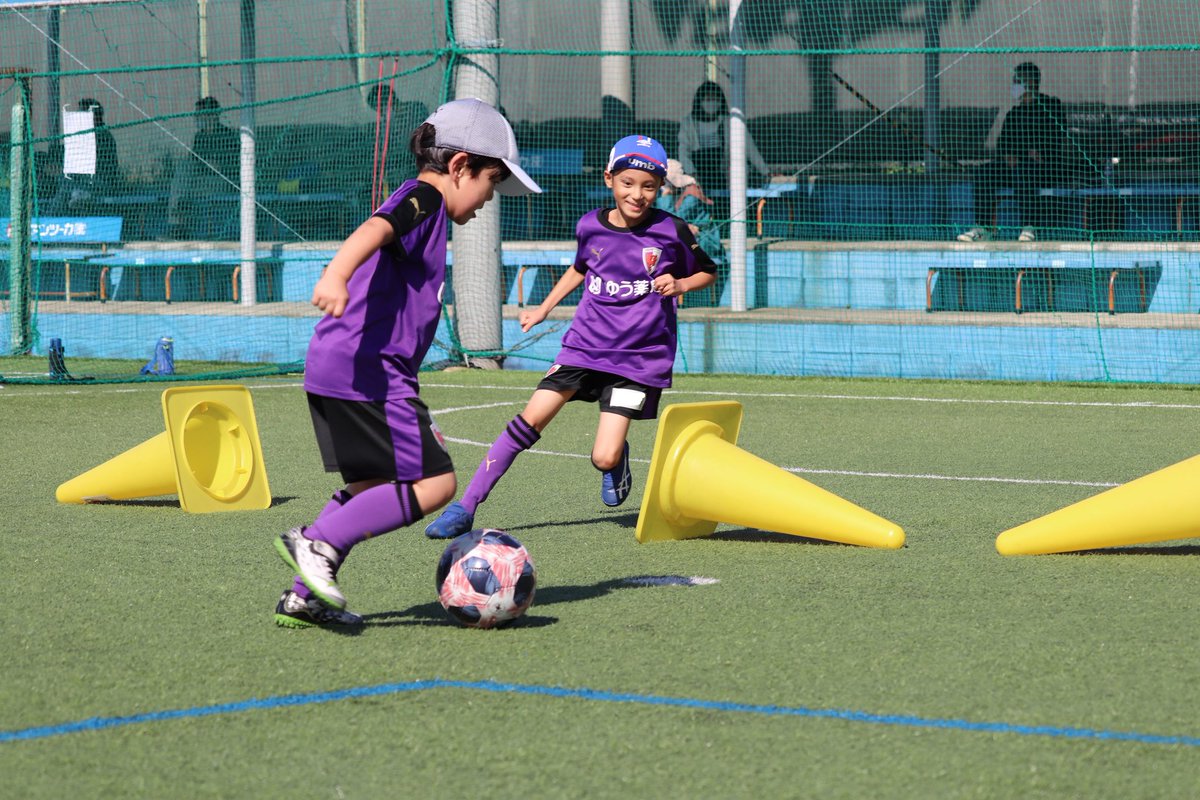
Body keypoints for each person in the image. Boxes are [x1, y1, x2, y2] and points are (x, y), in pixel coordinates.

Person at [271, 98, 541, 628]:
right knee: (436, 484)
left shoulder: (429, 210)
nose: (490, 197)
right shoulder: (426, 197)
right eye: (491, 181)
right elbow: (375, 228)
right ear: (459, 166)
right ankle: (317, 544)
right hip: (371, 369)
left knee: (371, 486)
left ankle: (303, 597)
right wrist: (335, 274)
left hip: (340, 365)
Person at [423, 135, 717, 540]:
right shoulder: (590, 225)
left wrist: (681, 284)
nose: (637, 194)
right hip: (584, 346)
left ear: (660, 188)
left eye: (649, 186)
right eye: (627, 183)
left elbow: (707, 271)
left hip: (637, 359)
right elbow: (580, 269)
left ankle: (615, 459)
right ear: (609, 179)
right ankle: (465, 506)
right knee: (530, 419)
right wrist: (543, 308)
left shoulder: (672, 230)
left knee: (603, 456)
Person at [958, 62, 1077, 243]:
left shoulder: (1051, 106)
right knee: (984, 172)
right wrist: (1009, 155)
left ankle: (1029, 227)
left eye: (1017, 81)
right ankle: (983, 228)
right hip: (1014, 168)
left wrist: (1036, 152)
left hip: (1044, 169)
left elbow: (1055, 137)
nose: (1014, 85)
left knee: (1025, 169)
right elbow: (1003, 143)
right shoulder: (1013, 114)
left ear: (1030, 82)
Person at [677, 80, 771, 216]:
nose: (712, 103)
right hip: (699, 169)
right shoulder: (688, 123)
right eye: (708, 98)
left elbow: (749, 147)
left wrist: (765, 171)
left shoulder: (731, 121)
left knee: (737, 170)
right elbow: (683, 152)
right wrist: (692, 174)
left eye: (716, 98)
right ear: (700, 100)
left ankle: (734, 216)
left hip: (722, 169)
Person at [167, 96, 240, 238]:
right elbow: (194, 163)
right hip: (200, 180)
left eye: (200, 114)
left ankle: (181, 225)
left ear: (212, 115)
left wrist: (218, 166)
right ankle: (177, 225)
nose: (197, 118)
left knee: (184, 191)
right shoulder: (199, 137)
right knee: (184, 171)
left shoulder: (227, 136)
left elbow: (233, 167)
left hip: (222, 181)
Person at [657, 158, 726, 307]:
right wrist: (686, 226)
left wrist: (666, 195)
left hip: (704, 240)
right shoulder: (679, 192)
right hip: (688, 239)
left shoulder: (691, 194)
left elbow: (670, 220)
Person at [47, 98, 120, 213]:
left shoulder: (102, 135)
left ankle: (54, 214)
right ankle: (53, 215)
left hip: (100, 181)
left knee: (67, 185)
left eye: (82, 113)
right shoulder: (85, 134)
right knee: (64, 181)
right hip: (82, 181)